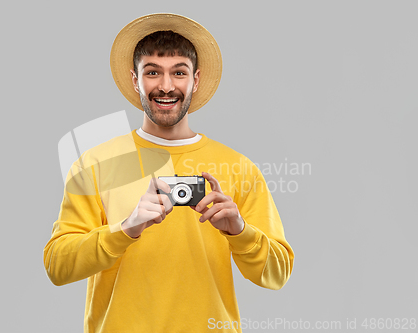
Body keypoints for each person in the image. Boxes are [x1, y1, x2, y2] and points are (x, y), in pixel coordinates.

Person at [44, 13, 294, 333]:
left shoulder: (239, 168)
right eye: (152, 72)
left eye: (179, 72)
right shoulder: (95, 164)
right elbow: (57, 266)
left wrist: (240, 231)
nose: (166, 85)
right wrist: (125, 229)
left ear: (196, 79)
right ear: (136, 80)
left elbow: (278, 273)